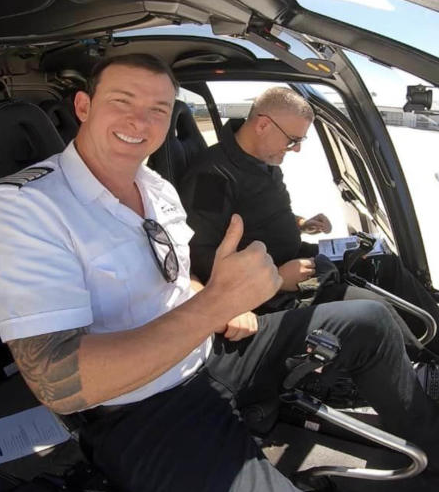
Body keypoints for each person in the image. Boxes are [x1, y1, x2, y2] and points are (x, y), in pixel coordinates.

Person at [0, 54, 439, 492]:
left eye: (158, 110)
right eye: (122, 101)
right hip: (141, 406)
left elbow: (174, 277)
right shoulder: (22, 210)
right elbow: (58, 383)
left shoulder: (157, 187)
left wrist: (216, 299)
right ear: (84, 107)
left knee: (370, 318)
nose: (140, 122)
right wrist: (215, 304)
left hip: (210, 352)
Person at [178, 86, 439, 348]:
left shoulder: (261, 158)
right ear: (263, 125)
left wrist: (301, 223)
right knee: (377, 310)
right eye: (292, 140)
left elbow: (261, 216)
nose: (296, 149)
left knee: (383, 261)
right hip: (269, 289)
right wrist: (277, 279)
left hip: (297, 260)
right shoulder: (212, 177)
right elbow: (199, 259)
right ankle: (423, 366)